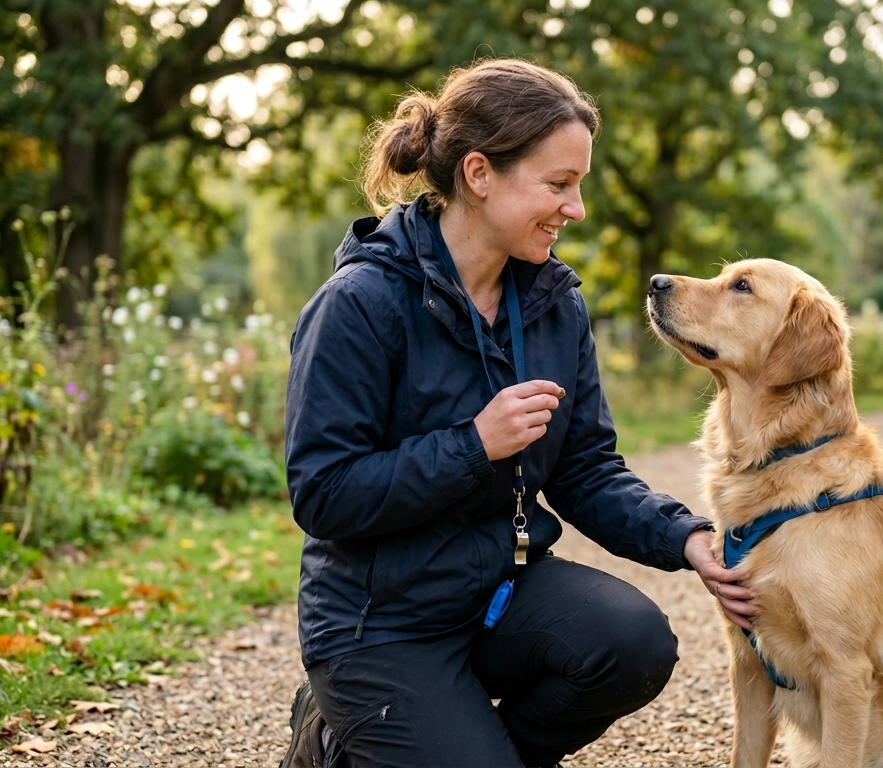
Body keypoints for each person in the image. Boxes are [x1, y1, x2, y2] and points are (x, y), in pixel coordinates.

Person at [279, 58, 759, 768]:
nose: (576, 208)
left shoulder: (552, 305)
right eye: (558, 184)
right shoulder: (360, 304)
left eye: (580, 185)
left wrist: (686, 538)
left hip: (495, 596)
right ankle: (335, 741)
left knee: (634, 644)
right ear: (479, 174)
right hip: (379, 627)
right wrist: (473, 445)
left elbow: (586, 470)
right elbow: (322, 495)